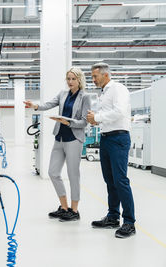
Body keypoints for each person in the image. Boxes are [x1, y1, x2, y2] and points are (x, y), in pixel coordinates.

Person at [24, 67, 90, 222]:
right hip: (59, 137)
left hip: (74, 138)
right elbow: (48, 104)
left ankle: (74, 210)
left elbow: (84, 122)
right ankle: (64, 207)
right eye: (68, 78)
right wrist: (35, 106)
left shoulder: (85, 97)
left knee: (73, 175)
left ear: (79, 80)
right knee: (53, 172)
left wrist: (68, 122)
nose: (70, 82)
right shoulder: (63, 93)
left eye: (73, 79)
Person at [87, 62, 136, 238]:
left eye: (95, 76)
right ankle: (113, 216)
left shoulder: (118, 89)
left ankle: (129, 222)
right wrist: (94, 119)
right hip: (106, 138)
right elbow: (105, 117)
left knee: (120, 180)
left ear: (106, 75)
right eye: (92, 76)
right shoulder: (103, 93)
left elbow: (120, 111)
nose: (93, 79)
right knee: (110, 180)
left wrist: (97, 117)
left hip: (119, 138)